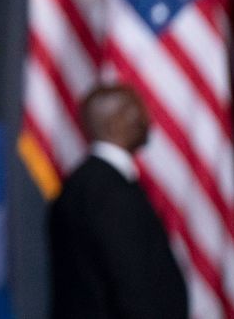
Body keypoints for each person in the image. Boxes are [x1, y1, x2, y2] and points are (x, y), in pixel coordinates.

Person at [48, 84, 188, 319]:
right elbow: (131, 285)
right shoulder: (108, 193)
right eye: (135, 111)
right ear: (114, 124)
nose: (146, 120)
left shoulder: (85, 184)